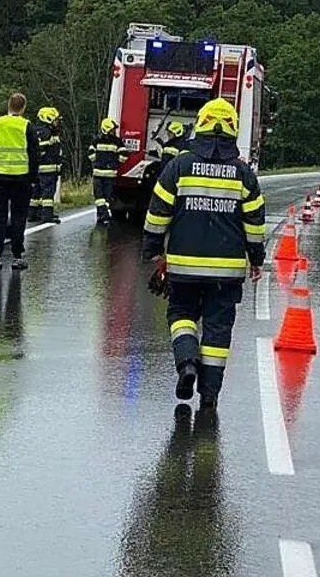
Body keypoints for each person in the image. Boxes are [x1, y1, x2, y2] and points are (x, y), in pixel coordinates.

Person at [141, 98, 266, 410]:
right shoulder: (243, 174)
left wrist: (154, 251)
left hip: (183, 267)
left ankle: (186, 364)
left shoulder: (178, 166)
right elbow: (254, 223)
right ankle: (209, 396)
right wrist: (257, 259)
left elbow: (157, 213)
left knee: (181, 315)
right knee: (218, 329)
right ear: (232, 130)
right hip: (226, 273)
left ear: (201, 125)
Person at [0, 92, 40, 270]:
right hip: (21, 177)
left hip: (0, 175)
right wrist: (33, 178)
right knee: (19, 216)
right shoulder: (27, 126)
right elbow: (34, 153)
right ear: (23, 107)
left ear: (9, 105)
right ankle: (17, 256)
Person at [88, 118, 126, 225]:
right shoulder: (117, 141)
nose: (114, 131)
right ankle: (103, 216)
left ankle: (102, 215)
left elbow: (91, 155)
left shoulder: (96, 140)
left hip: (98, 173)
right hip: (110, 174)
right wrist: (116, 163)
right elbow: (124, 155)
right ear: (107, 130)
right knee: (106, 197)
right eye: (113, 130)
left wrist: (97, 161)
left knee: (99, 197)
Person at [30, 106, 63, 224]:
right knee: (48, 193)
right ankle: (47, 215)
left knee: (36, 193)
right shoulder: (47, 133)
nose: (57, 123)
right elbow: (46, 150)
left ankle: (33, 213)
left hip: (37, 168)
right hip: (47, 168)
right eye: (55, 120)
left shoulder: (36, 131)